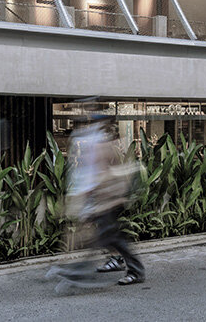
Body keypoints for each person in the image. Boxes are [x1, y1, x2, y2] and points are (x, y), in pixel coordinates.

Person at [67, 116, 144, 286]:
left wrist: (112, 195)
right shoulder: (97, 146)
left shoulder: (109, 147)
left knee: (109, 237)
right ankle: (117, 263)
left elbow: (116, 173)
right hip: (102, 201)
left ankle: (134, 270)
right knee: (109, 237)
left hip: (110, 201)